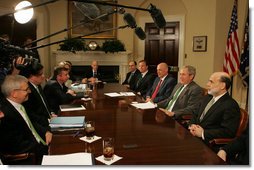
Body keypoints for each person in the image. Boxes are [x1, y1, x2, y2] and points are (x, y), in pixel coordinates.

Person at [0, 75, 52, 165]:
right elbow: (16, 146)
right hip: (29, 158)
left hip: (38, 148)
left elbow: (31, 124)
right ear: (14, 93)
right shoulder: (5, 115)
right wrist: (44, 147)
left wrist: (46, 132)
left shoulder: (19, 105)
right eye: (26, 89)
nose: (30, 91)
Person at [188, 72, 240, 152]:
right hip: (193, 137)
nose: (207, 84)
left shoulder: (230, 105)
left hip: (209, 145)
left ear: (222, 85)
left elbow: (228, 131)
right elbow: (195, 114)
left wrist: (203, 133)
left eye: (211, 82)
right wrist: (192, 125)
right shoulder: (208, 97)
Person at [20, 63, 55, 132]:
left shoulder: (38, 85)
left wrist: (51, 113)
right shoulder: (27, 90)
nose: (43, 76)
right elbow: (30, 113)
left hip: (49, 120)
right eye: (40, 74)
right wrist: (47, 120)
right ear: (31, 76)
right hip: (40, 126)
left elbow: (44, 104)